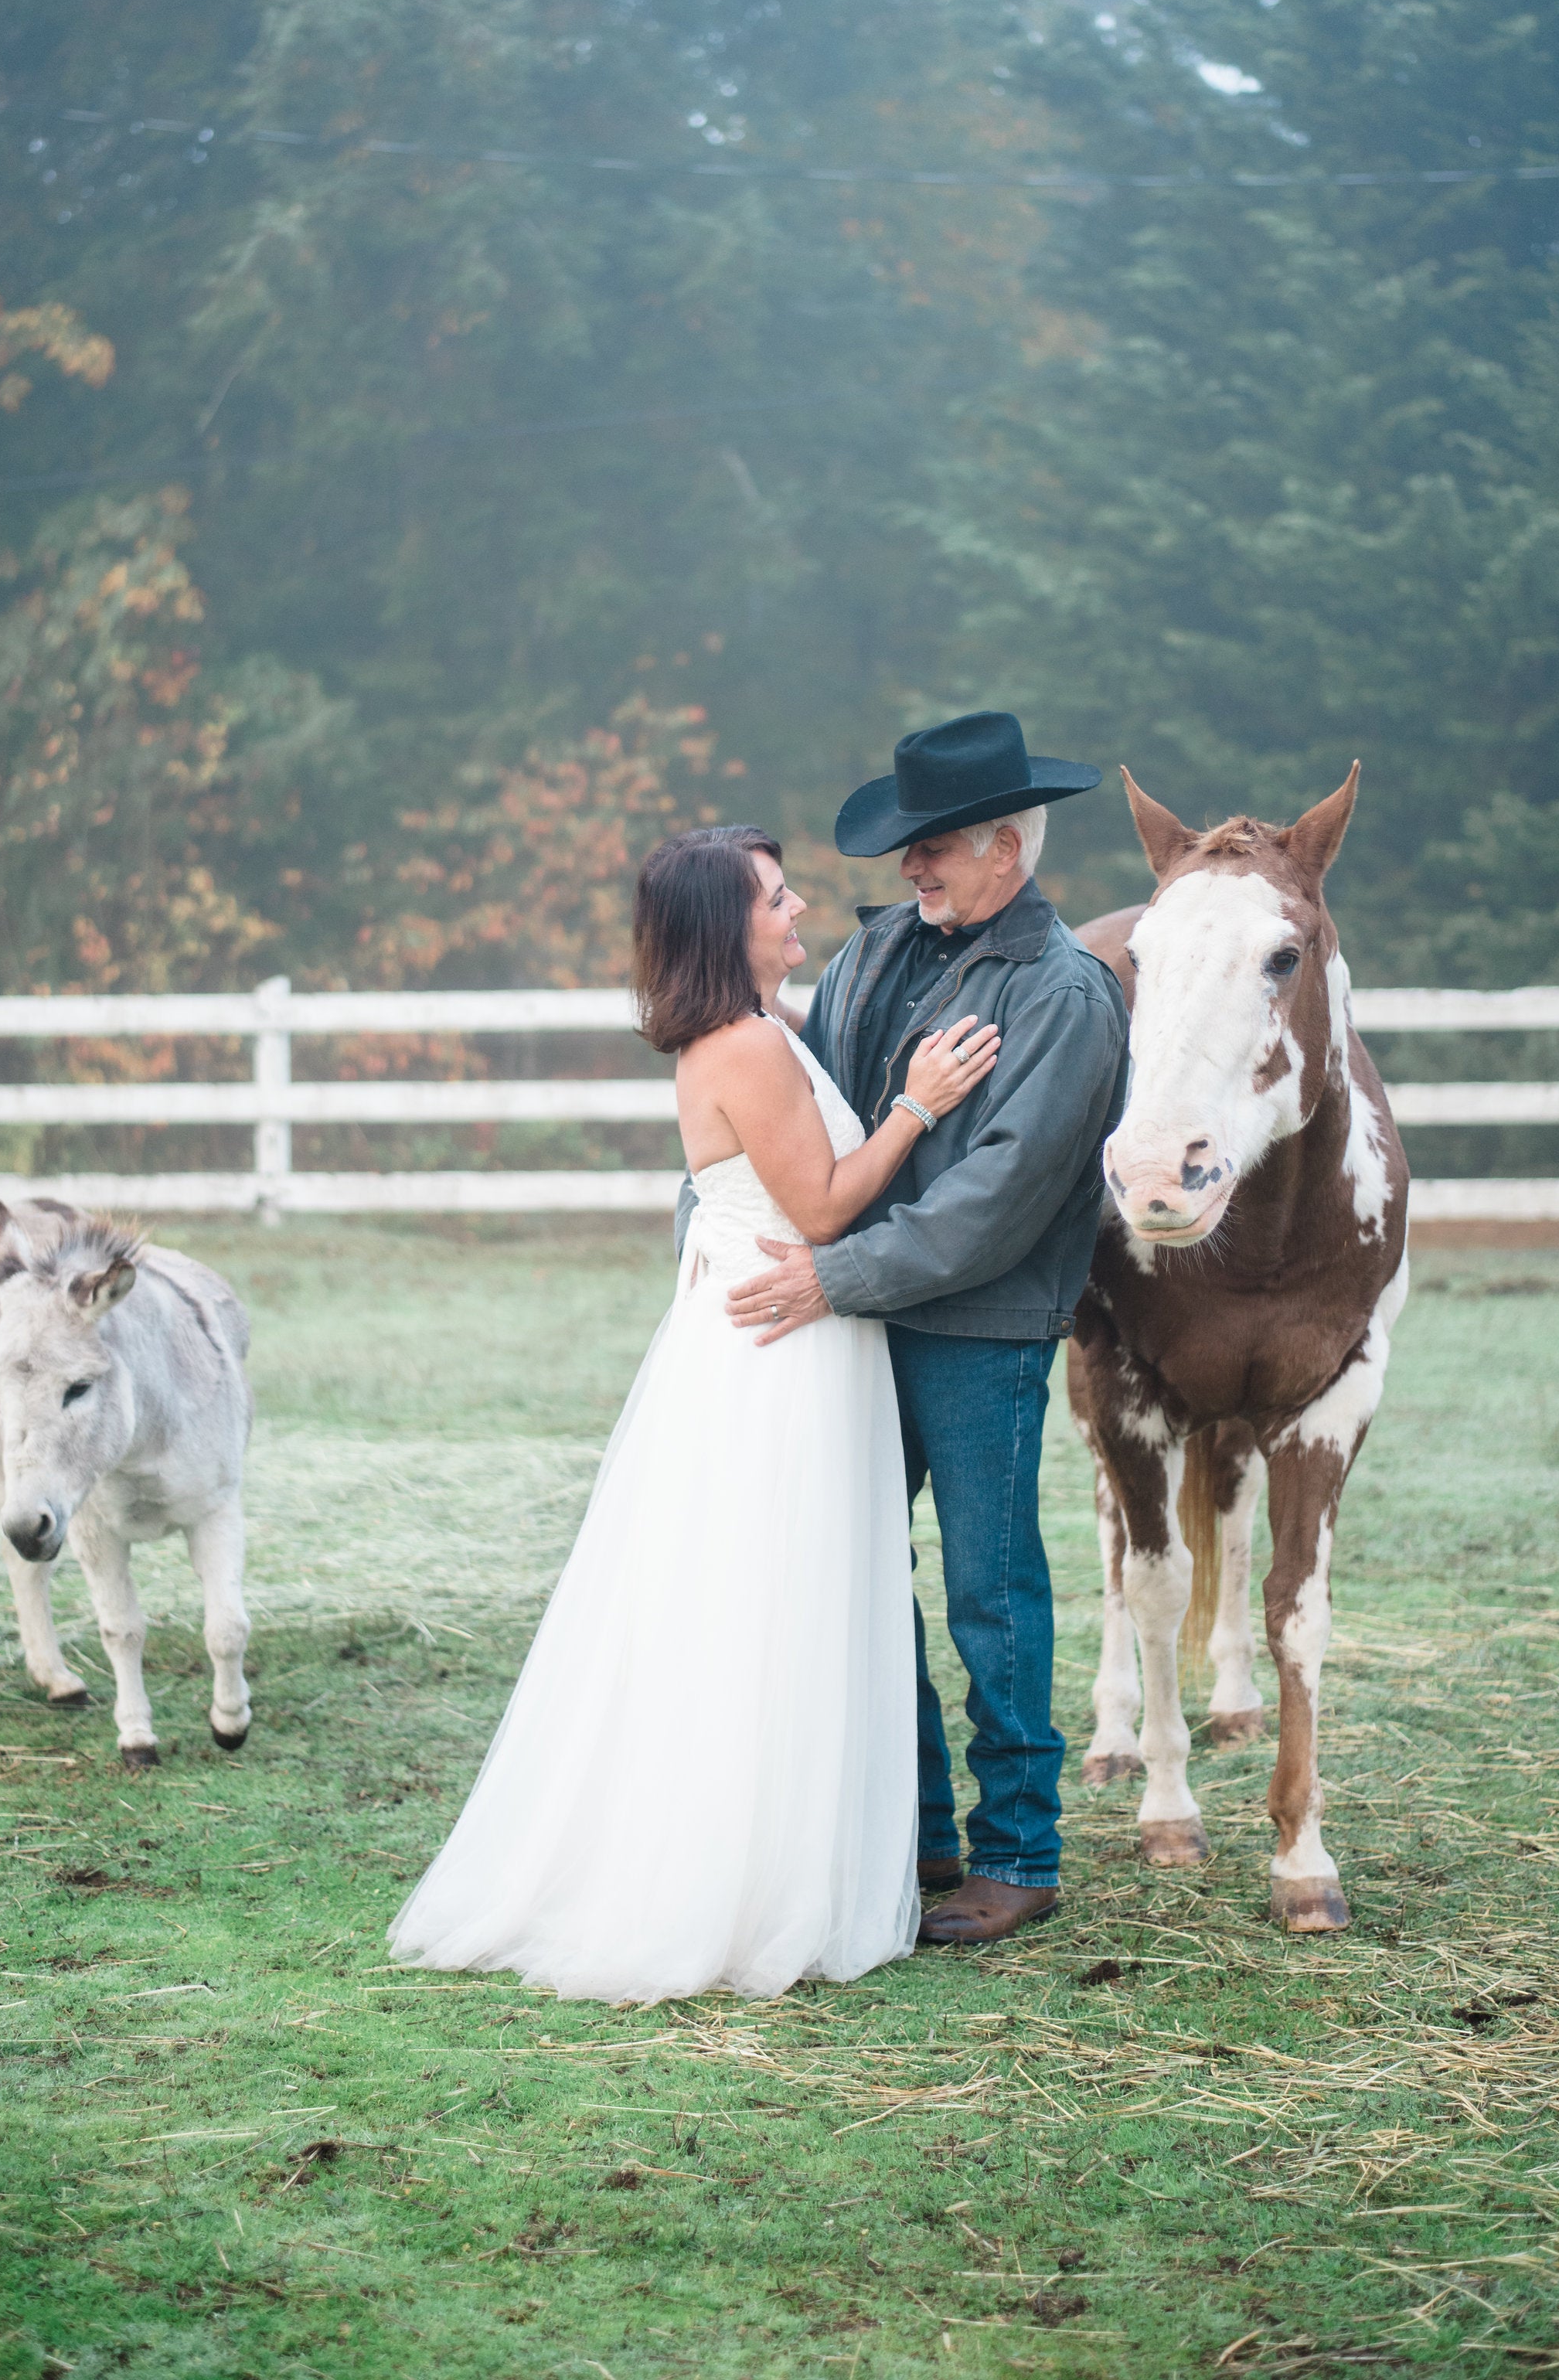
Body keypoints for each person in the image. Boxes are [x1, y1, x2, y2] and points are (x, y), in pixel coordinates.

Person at [389, 824, 999, 2004]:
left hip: (779, 1337)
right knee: (766, 1599)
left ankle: (785, 1856)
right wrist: (918, 1107)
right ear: (731, 926)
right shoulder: (743, 1047)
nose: (800, 904)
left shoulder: (766, 1032)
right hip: (776, 1357)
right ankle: (741, 1879)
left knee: (768, 1596)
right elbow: (821, 1211)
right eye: (778, 895)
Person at [720, 711, 1129, 1946]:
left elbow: (993, 1206)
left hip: (979, 1325)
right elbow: (825, 1114)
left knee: (990, 1590)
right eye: (908, 847)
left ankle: (1020, 1852)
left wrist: (834, 1277)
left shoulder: (1064, 997)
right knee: (857, 1570)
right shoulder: (879, 952)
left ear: (1008, 848)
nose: (911, 867)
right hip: (854, 1317)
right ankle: (915, 1825)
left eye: (935, 846)